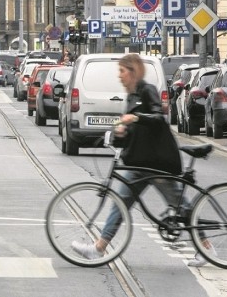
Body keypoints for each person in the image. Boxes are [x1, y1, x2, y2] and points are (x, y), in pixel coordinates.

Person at [71, 53, 214, 267]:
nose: (119, 76)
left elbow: (158, 119)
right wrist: (121, 133)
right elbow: (136, 132)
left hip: (156, 162)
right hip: (139, 162)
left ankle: (207, 248)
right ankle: (99, 248)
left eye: (122, 71)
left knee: (180, 206)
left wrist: (135, 117)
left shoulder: (147, 90)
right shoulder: (131, 96)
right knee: (120, 204)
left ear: (133, 71)